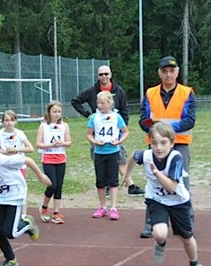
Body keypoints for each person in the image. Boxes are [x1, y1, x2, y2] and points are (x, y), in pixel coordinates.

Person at [124, 122, 206, 266]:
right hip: (157, 200)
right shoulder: (147, 155)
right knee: (159, 233)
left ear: (172, 143)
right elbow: (133, 156)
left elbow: (172, 186)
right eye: (154, 143)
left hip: (178, 201)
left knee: (187, 239)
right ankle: (160, 243)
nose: (159, 148)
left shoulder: (176, 158)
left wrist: (156, 172)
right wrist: (127, 175)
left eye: (163, 143)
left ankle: (195, 264)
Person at [0, 130, 52, 266]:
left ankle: (27, 224)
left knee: (10, 232)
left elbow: (28, 160)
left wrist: (41, 177)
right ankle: (11, 260)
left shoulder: (2, 160)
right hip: (0, 197)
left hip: (15, 194)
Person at [138, 56, 196, 238]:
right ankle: (151, 223)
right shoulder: (150, 93)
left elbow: (190, 120)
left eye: (172, 71)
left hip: (179, 144)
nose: (168, 74)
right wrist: (155, 131)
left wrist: (166, 129)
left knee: (181, 183)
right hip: (156, 146)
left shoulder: (187, 93)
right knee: (153, 182)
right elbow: (142, 119)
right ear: (159, 73)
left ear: (177, 72)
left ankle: (186, 223)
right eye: (165, 71)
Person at [71, 64, 144, 198]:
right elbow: (75, 101)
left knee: (119, 159)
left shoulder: (118, 90)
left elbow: (124, 109)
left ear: (110, 75)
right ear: (98, 76)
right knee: (100, 160)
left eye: (106, 74)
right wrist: (88, 114)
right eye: (101, 74)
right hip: (98, 135)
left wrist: (122, 127)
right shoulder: (92, 91)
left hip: (114, 134)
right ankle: (109, 186)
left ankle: (130, 185)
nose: (104, 77)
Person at [87, 91, 129, 220]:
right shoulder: (94, 117)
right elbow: (89, 134)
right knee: (100, 181)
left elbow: (126, 132)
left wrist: (119, 141)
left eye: (102, 103)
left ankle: (114, 208)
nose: (99, 105)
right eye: (98, 103)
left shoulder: (117, 117)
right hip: (99, 152)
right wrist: (94, 142)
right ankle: (102, 207)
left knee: (113, 181)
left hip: (113, 151)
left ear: (109, 103)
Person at [36, 100, 72, 224]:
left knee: (59, 186)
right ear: (49, 112)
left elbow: (69, 142)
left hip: (61, 158)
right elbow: (38, 144)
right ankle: (44, 207)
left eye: (59, 112)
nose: (57, 114)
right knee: (52, 185)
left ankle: (56, 213)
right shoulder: (43, 126)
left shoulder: (64, 125)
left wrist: (62, 143)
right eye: (54, 112)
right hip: (48, 158)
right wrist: (50, 145)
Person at [0, 110, 34, 218]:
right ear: (2, 122)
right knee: (5, 189)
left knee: (21, 189)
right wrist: (4, 152)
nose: (9, 123)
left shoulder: (19, 133)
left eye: (11, 120)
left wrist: (16, 150)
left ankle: (24, 215)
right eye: (6, 120)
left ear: (15, 121)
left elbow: (30, 148)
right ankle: (6, 213)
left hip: (18, 165)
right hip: (4, 166)